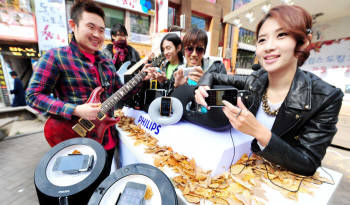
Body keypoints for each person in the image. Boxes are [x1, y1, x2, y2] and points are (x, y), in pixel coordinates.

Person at [195, 5, 343, 176]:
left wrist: (258, 131)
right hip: (235, 169)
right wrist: (202, 87)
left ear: (302, 42)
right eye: (262, 40)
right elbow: (214, 74)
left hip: (278, 184)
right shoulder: (256, 80)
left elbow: (308, 163)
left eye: (281, 35)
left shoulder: (325, 97)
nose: (268, 47)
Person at [26, 0, 155, 174]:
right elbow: (33, 96)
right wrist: (76, 110)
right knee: (78, 191)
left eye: (101, 30)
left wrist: (142, 77)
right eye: (91, 27)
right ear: (73, 25)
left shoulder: (106, 63)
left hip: (107, 141)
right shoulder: (56, 57)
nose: (97, 34)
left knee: (101, 188)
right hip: (73, 141)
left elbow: (121, 94)